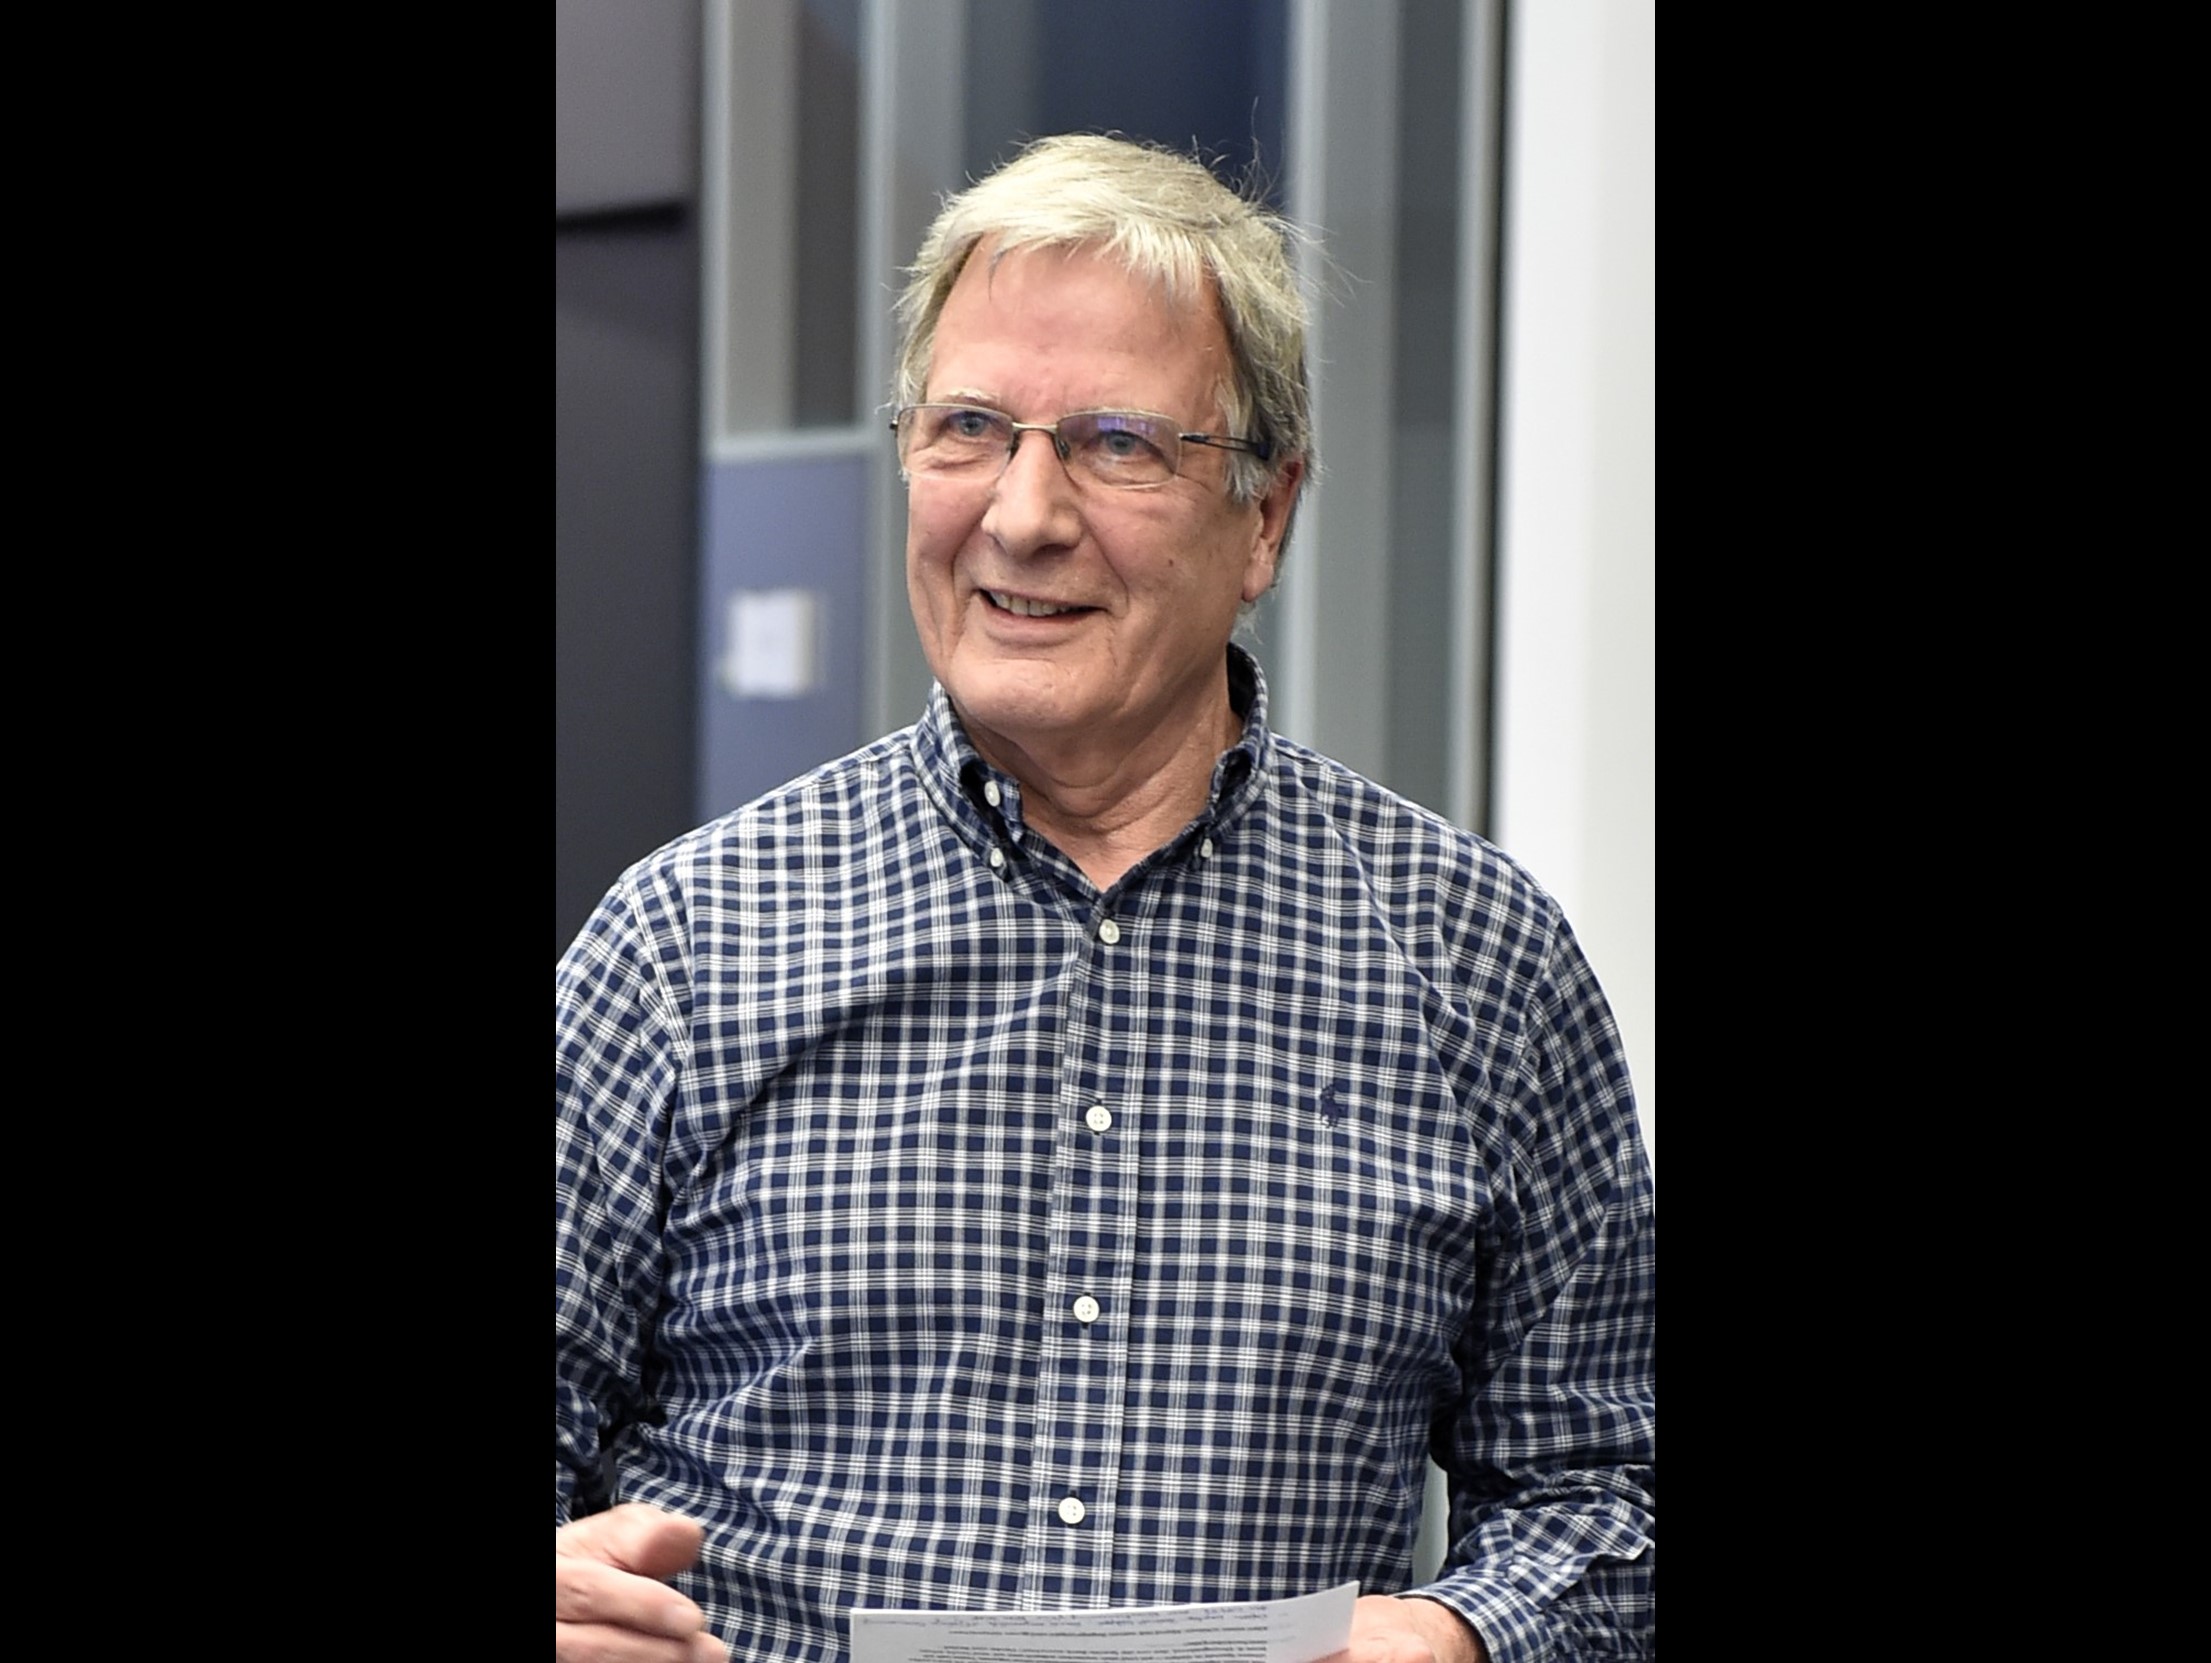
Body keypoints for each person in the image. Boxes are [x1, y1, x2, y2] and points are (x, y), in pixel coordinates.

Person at [557, 133, 1654, 1663]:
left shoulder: (1479, 961)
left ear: (1266, 516)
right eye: (969, 428)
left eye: (1118, 443)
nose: (1022, 515)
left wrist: (1459, 1634)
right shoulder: (685, 944)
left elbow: (1606, 1492)